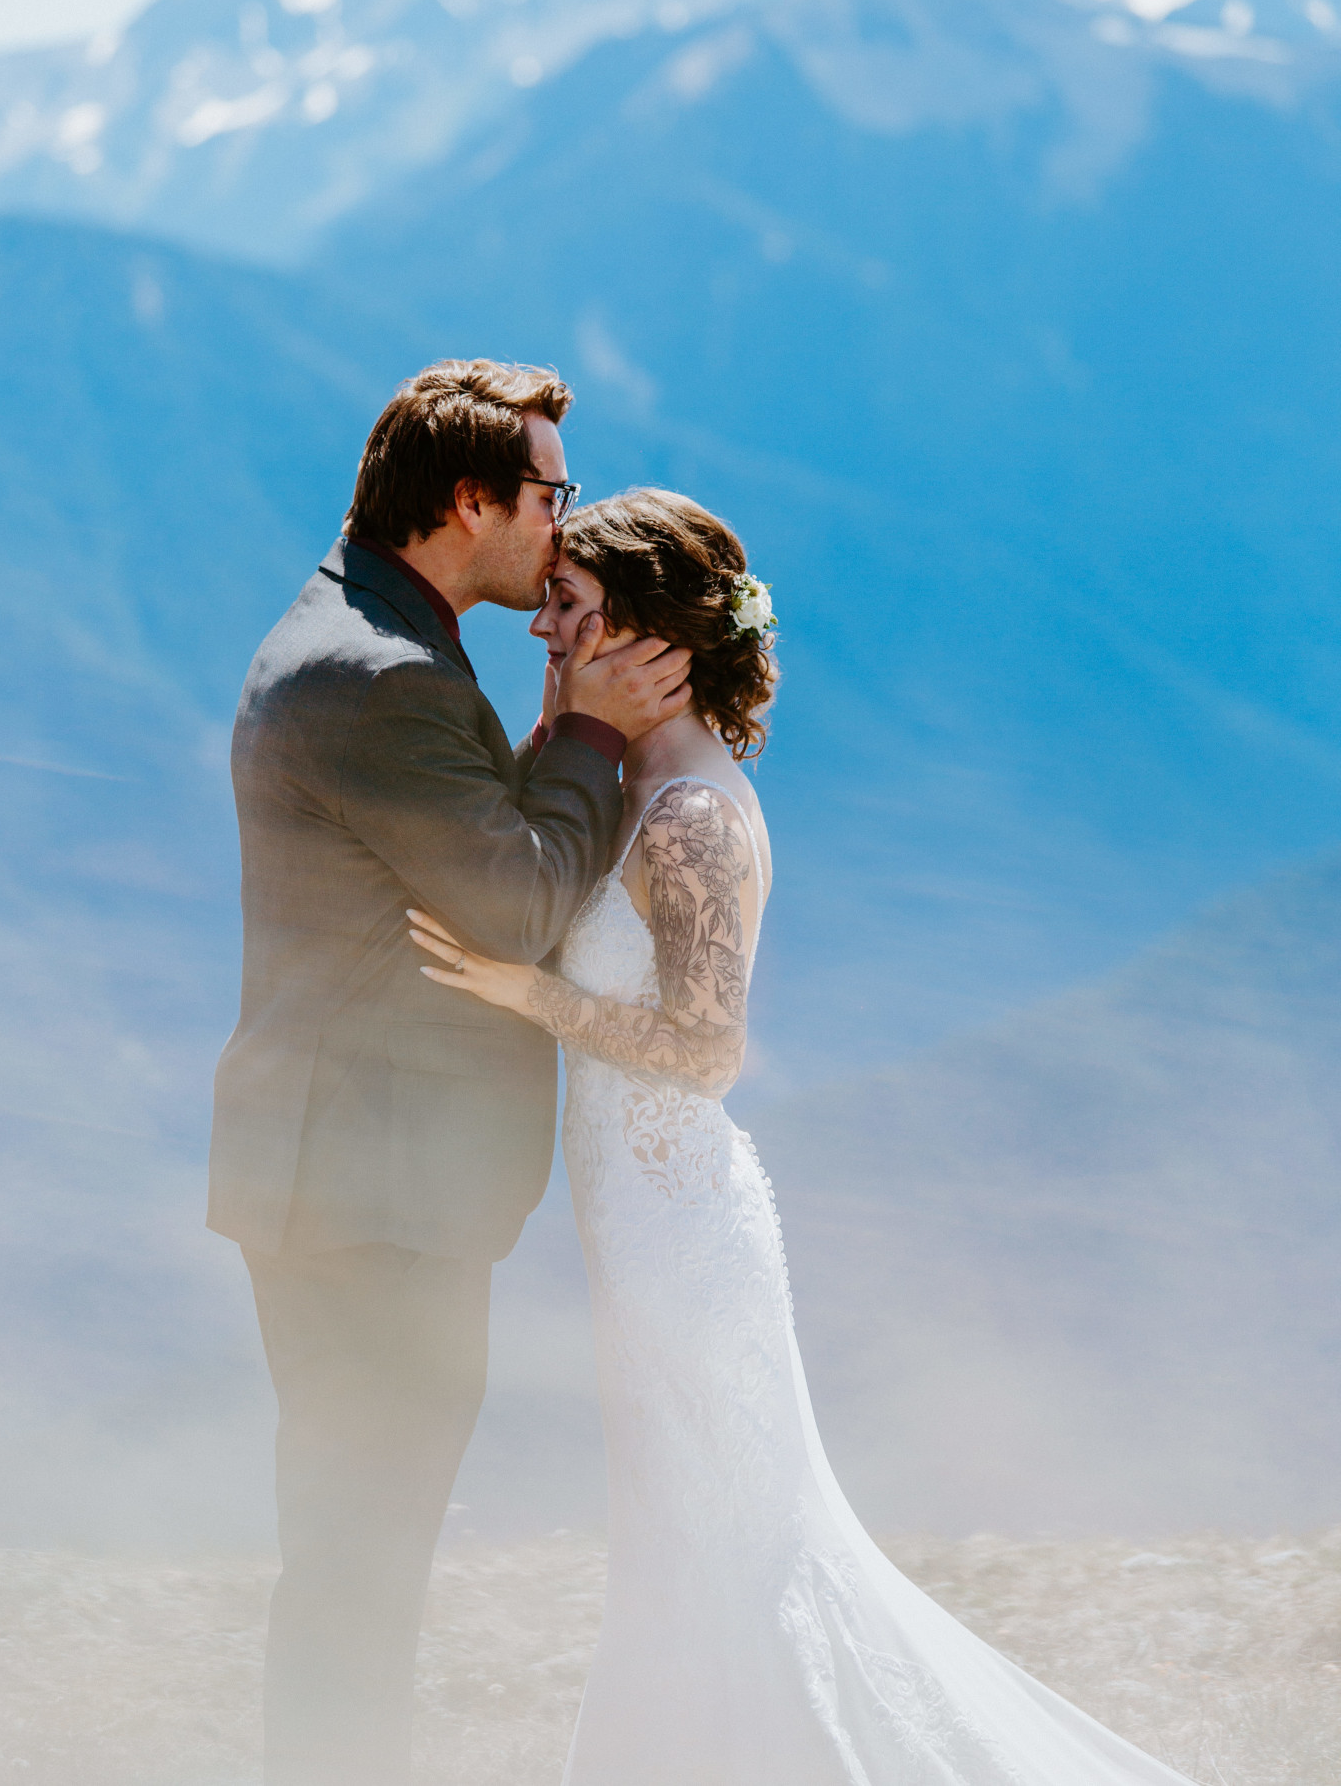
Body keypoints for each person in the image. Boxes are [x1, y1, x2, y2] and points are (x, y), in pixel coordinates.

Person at [408, 487, 1206, 1786]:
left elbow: (708, 1051)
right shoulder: (631, 773)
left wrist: (526, 994)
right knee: (678, 1543)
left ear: (653, 637)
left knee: (722, 1550)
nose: (542, 626)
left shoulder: (694, 820)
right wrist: (569, 718)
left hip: (683, 1235)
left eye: (571, 609)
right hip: (638, 1225)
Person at [207, 363, 692, 1786]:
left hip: (355, 1181)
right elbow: (520, 901)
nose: (566, 524)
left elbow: (464, 843)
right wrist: (598, 732)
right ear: (470, 500)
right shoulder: (383, 676)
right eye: (552, 494)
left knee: (360, 1550)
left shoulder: (363, 633)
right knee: (364, 1558)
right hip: (376, 1198)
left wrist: (552, 732)